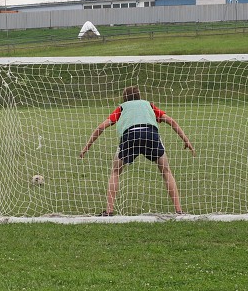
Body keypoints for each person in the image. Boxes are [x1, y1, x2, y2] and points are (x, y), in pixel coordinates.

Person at [79, 85, 195, 215]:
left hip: (130, 136)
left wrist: (86, 147)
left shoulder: (122, 108)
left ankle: (109, 211)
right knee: (166, 171)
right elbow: (171, 121)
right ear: (139, 97)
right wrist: (186, 140)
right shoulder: (149, 105)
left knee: (115, 171)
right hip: (150, 134)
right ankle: (179, 210)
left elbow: (101, 127)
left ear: (124, 99)